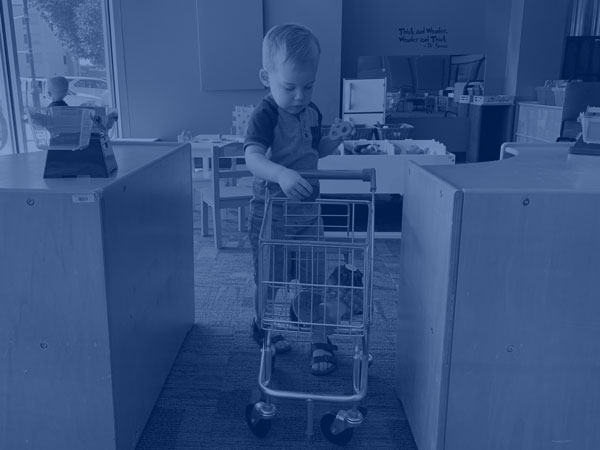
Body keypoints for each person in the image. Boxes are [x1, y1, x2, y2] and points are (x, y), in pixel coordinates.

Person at [244, 23, 353, 375]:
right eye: (289, 86)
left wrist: (333, 140)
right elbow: (252, 158)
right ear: (266, 77)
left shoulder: (312, 112)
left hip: (308, 213)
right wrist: (280, 173)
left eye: (308, 85)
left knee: (315, 278)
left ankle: (320, 340)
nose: (300, 95)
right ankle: (263, 327)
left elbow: (313, 151)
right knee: (271, 280)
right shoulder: (266, 114)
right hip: (271, 215)